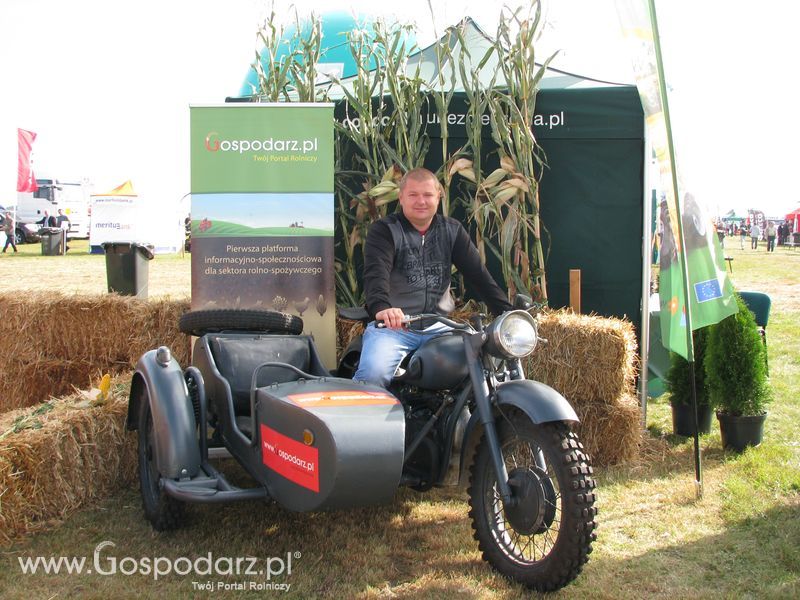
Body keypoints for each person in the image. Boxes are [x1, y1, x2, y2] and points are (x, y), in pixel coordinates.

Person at [353, 167, 513, 387]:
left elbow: (479, 276)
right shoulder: (385, 230)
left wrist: (508, 313)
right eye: (413, 195)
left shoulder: (452, 230)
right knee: (373, 375)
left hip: (441, 326)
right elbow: (375, 273)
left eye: (428, 195)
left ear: (438, 197)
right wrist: (382, 307)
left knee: (486, 368)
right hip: (394, 329)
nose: (421, 201)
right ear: (401, 198)